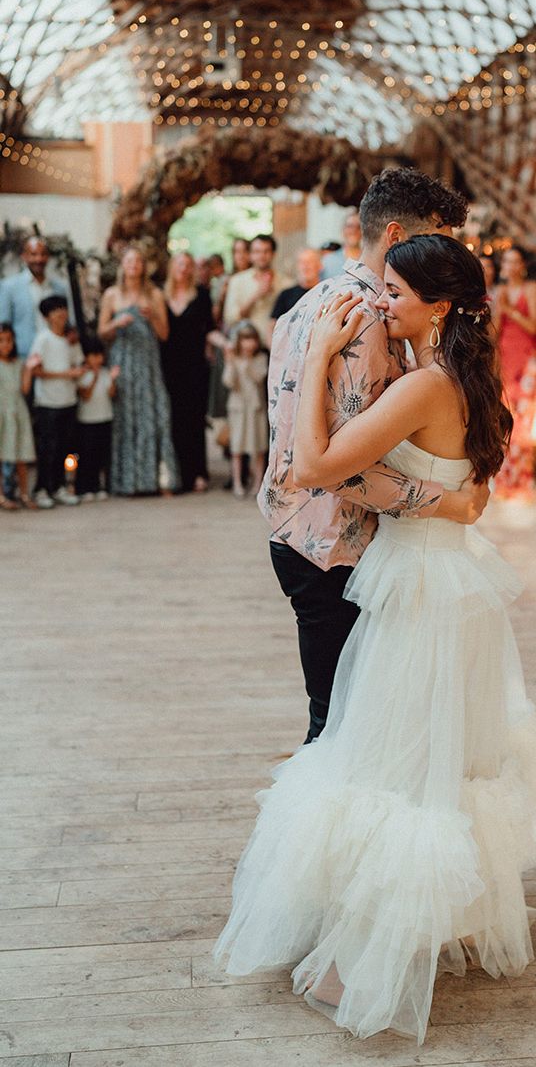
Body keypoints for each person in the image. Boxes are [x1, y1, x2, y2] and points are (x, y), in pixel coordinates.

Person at [215, 236, 536, 1044]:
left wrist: (321, 353)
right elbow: (475, 487)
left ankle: (359, 962)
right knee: (440, 763)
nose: (380, 302)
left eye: (394, 291)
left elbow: (316, 465)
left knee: (383, 766)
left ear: (437, 305)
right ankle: (437, 924)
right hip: (454, 584)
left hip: (418, 596)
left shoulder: (425, 383)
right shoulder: (469, 378)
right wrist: (441, 502)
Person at [258, 167, 487, 744]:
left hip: (294, 529)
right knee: (340, 729)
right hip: (335, 543)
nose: (443, 252)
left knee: (340, 718)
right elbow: (342, 469)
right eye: (433, 236)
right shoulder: (367, 318)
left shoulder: (313, 302)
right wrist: (448, 502)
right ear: (393, 236)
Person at [98, 244, 176, 496]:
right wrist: (116, 322)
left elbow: (164, 334)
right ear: (123, 265)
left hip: (147, 363)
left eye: (138, 261)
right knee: (125, 418)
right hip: (123, 361)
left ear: (143, 267)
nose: (134, 266)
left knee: (153, 417)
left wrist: (152, 316)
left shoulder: (154, 293)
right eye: (129, 261)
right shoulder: (111, 295)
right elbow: (101, 332)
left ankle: (153, 480)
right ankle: (126, 482)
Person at [0, 236, 74, 500]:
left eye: (42, 254)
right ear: (24, 256)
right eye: (33, 254)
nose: (38, 259)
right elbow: (4, 325)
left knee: (52, 430)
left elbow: (70, 324)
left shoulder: (59, 286)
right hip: (23, 366)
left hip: (55, 368)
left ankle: (52, 485)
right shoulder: (9, 287)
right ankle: (13, 489)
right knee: (19, 425)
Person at [161, 251, 213, 493]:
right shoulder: (160, 295)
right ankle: (177, 473)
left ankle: (198, 472)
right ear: (172, 267)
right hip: (167, 365)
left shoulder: (202, 295)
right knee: (173, 419)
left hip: (194, 366)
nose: (183, 268)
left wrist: (226, 345)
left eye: (188, 264)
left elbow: (210, 329)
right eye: (180, 264)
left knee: (194, 419)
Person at [30, 295, 85, 508]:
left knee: (65, 446)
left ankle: (59, 486)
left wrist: (76, 373)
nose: (61, 314)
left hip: (68, 400)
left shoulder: (71, 340)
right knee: (47, 448)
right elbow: (36, 370)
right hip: (47, 402)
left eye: (63, 308)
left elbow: (78, 363)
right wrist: (65, 374)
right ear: (47, 316)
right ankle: (42, 488)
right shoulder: (43, 339)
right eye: (55, 310)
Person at [493, 245, 536, 499]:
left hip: (527, 359)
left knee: (525, 420)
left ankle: (524, 480)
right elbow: (496, 330)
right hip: (505, 358)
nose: (509, 266)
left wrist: (511, 310)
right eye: (505, 262)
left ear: (522, 265)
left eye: (513, 262)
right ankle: (505, 481)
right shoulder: (500, 290)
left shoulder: (530, 289)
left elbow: (533, 326)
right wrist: (500, 310)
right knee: (505, 419)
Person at [222, 322, 268, 498]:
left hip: (256, 408)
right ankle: (237, 483)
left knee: (258, 448)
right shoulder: (233, 359)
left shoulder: (261, 358)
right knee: (237, 448)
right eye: (245, 339)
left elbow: (258, 377)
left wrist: (246, 362)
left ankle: (258, 483)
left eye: (252, 339)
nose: (249, 344)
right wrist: (230, 362)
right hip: (238, 409)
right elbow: (229, 382)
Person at [223, 234, 288, 347]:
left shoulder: (286, 283)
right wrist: (256, 295)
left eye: (266, 251)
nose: (262, 256)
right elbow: (230, 318)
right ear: (250, 255)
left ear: (273, 254)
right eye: (257, 252)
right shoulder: (237, 281)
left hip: (276, 346)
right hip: (246, 350)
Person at [76, 337, 119, 502]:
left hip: (105, 418)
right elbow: (85, 395)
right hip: (87, 421)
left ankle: (101, 486)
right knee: (87, 456)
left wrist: (113, 380)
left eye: (99, 355)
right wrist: (93, 378)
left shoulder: (106, 373)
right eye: (93, 355)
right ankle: (85, 487)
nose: (97, 359)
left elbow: (112, 394)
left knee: (102, 455)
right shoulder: (83, 375)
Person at [0, 322, 36, 510]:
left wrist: (29, 370)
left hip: (18, 410)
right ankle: (2, 496)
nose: (6, 345)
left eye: (9, 341)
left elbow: (24, 389)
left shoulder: (18, 364)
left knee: (21, 454)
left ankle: (24, 493)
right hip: (2, 411)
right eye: (1, 341)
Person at [268, 248, 321, 343]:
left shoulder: (329, 294)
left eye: (310, 262)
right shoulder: (286, 295)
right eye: (302, 262)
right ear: (297, 266)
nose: (306, 266)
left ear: (320, 265)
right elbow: (272, 327)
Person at [320, 209, 361, 279]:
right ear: (343, 230)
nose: (354, 230)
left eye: (358, 227)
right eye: (350, 226)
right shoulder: (328, 262)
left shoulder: (370, 260)